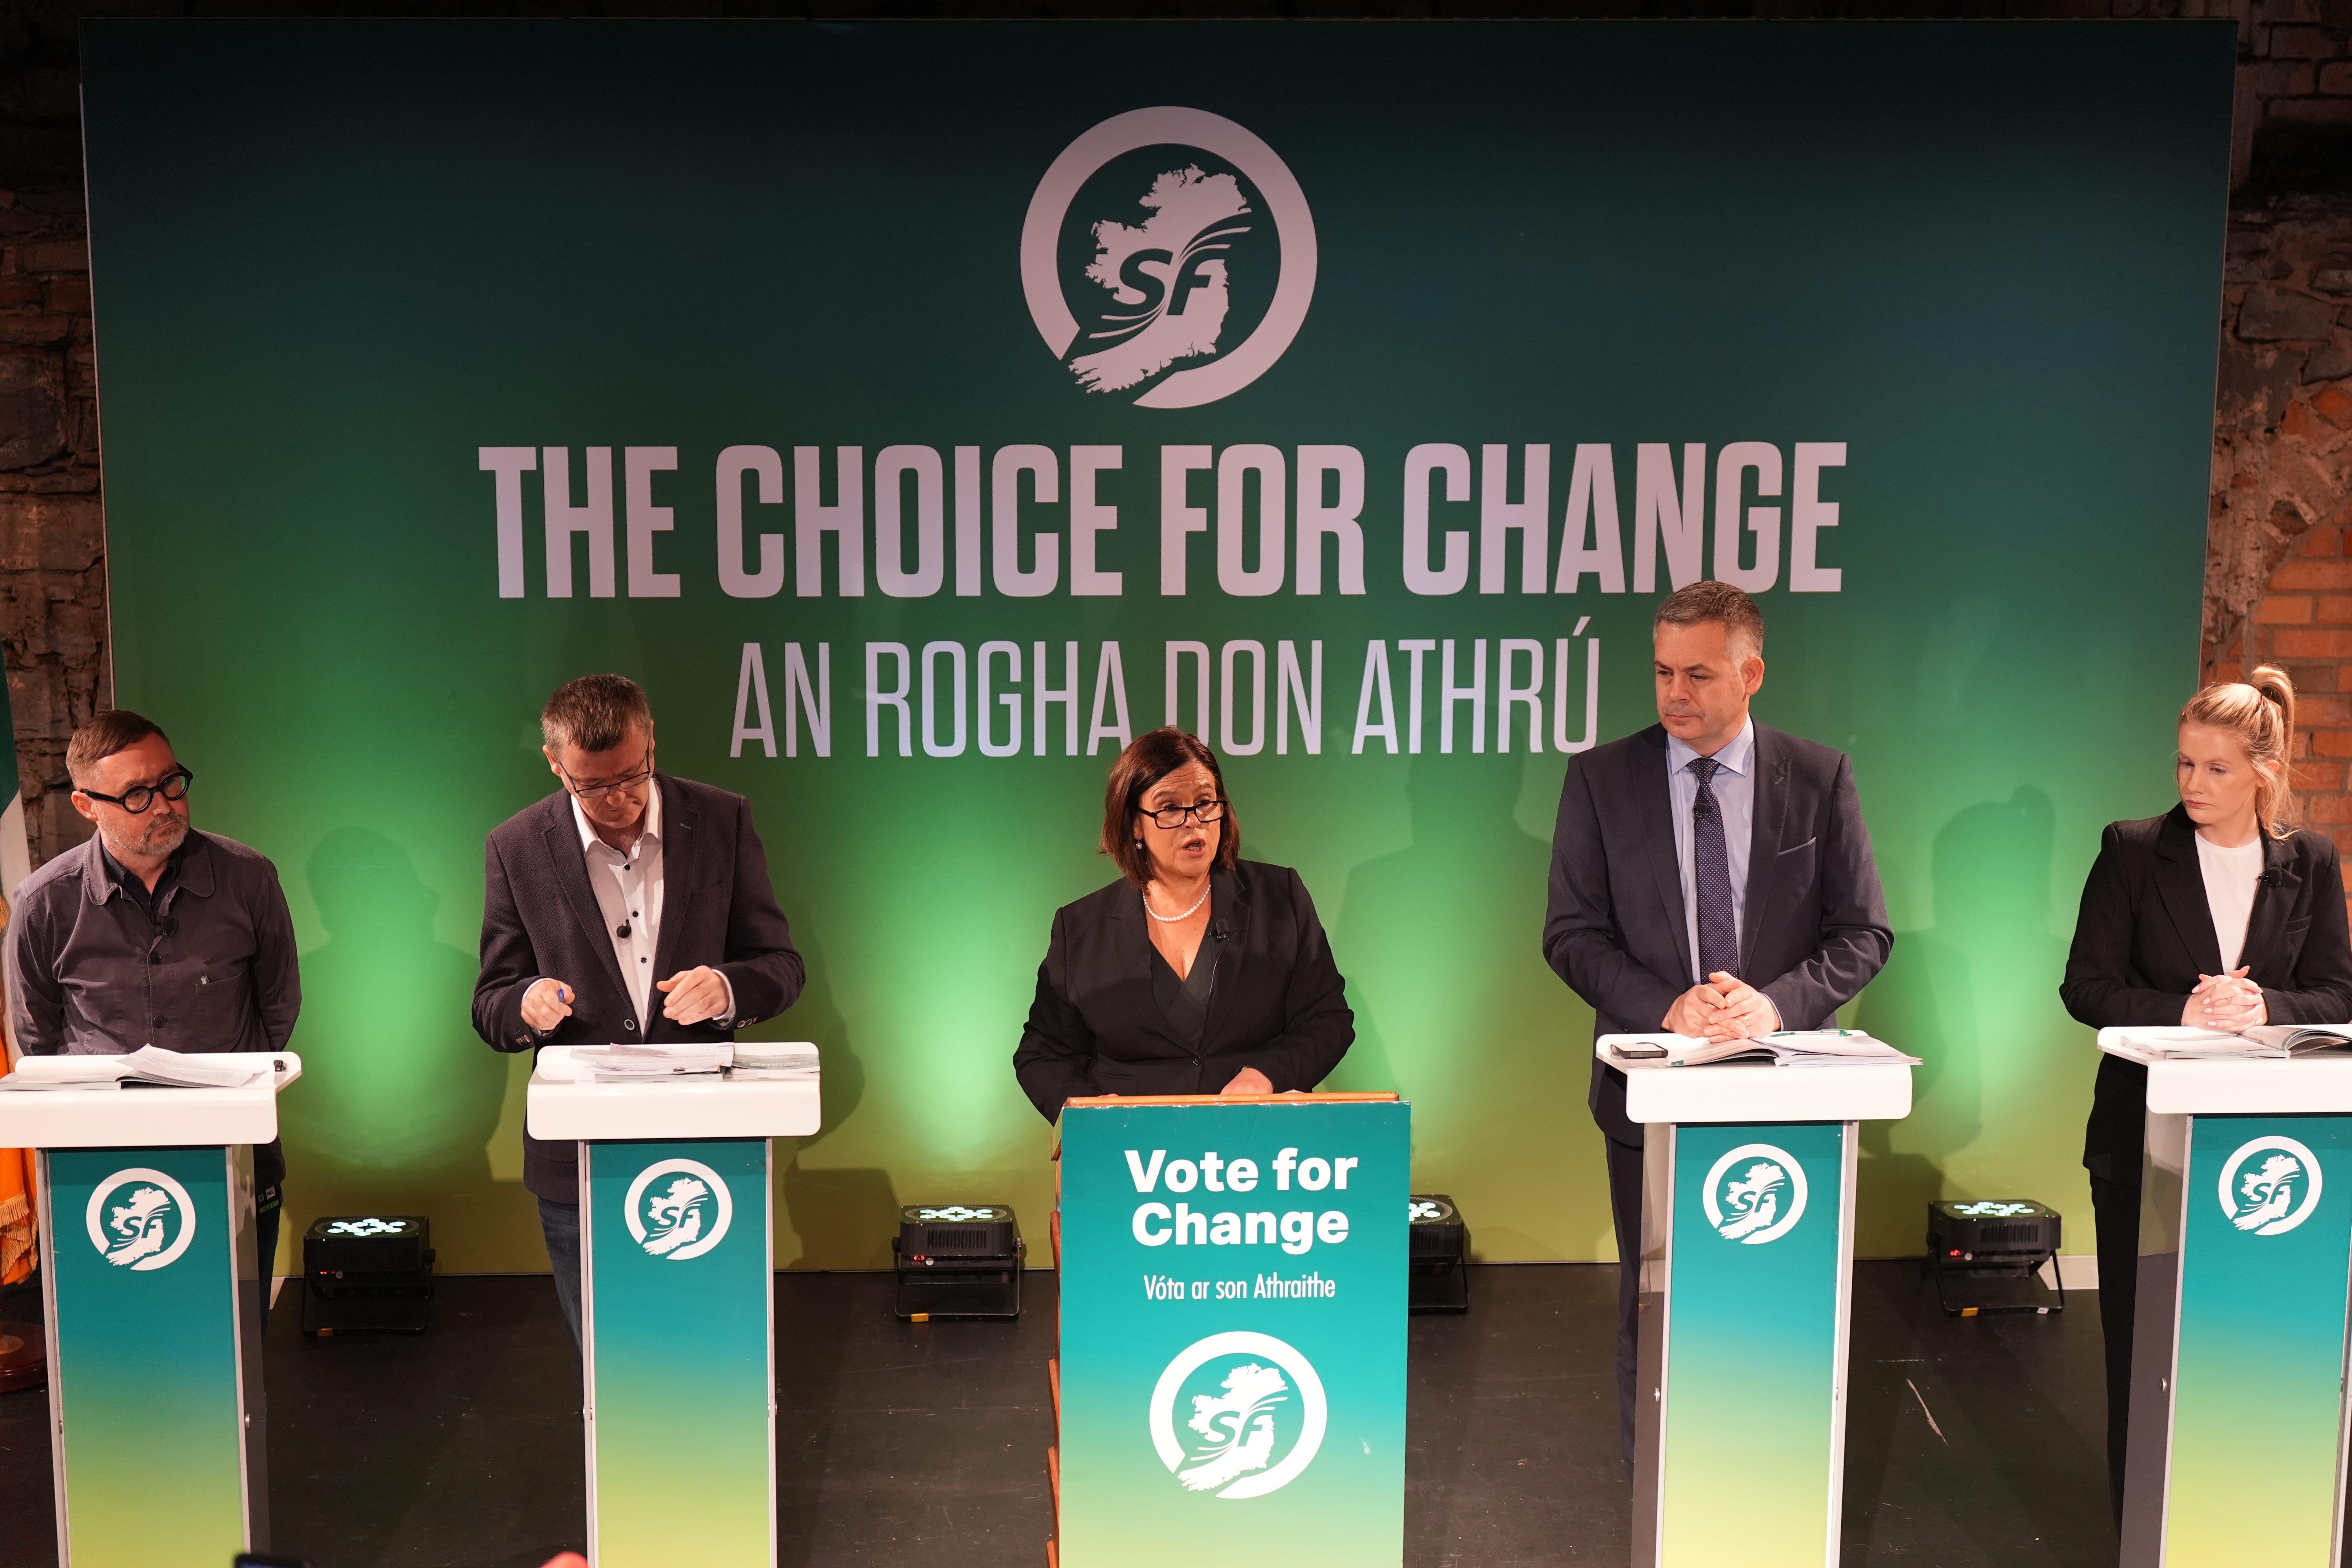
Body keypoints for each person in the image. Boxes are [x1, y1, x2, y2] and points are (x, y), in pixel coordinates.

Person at [1542, 581, 1892, 1475]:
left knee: (1773, 1308)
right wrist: (1669, 1005)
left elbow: (1864, 934)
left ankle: (1767, 1486)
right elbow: (1569, 935)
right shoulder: (1600, 777)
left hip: (1785, 1098)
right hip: (1649, 1097)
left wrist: (1774, 1003)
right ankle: (1660, 1493)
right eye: (1661, 672)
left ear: (1752, 673)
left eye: (1697, 674)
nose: (1674, 694)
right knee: (1655, 1304)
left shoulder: (1817, 777)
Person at [2059, 666, 2352, 1519]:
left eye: (2216, 768)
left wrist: (2266, 1005)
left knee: (2252, 1340)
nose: (2193, 784)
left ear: (2262, 770)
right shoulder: (2131, 849)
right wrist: (2186, 1005)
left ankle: (2248, 1509)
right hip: (2142, 1137)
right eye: (2185, 764)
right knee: (2142, 1338)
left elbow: (2339, 992)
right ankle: (2144, 1515)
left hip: (2275, 1149)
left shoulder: (2311, 861)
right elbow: (2086, 987)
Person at [474, 674, 804, 1344]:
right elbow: (491, 1003)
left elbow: (781, 967)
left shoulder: (721, 820)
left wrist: (728, 987)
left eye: (633, 774)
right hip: (580, 1155)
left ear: (652, 740)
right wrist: (526, 1004)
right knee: (608, 1353)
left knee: (716, 1344)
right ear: (554, 763)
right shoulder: (516, 847)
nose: (618, 799)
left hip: (709, 1143)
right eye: (591, 785)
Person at [5, 709, 301, 1313]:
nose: (165, 804)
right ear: (87, 805)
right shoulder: (45, 903)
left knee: (234, 1336)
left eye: (171, 782)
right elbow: (37, 1040)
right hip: (97, 1173)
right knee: (119, 1332)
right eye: (137, 794)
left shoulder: (249, 879)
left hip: (234, 1157)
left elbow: (278, 1007)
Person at [1014, 728, 1352, 1118]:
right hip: (1133, 1147)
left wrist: (1266, 1075)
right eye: (1170, 807)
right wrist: (1085, 1108)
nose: (1194, 821)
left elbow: (1327, 1020)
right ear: (1134, 825)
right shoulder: (1081, 929)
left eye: (1205, 802)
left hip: (1257, 1138)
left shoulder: (1279, 898)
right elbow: (1042, 1054)